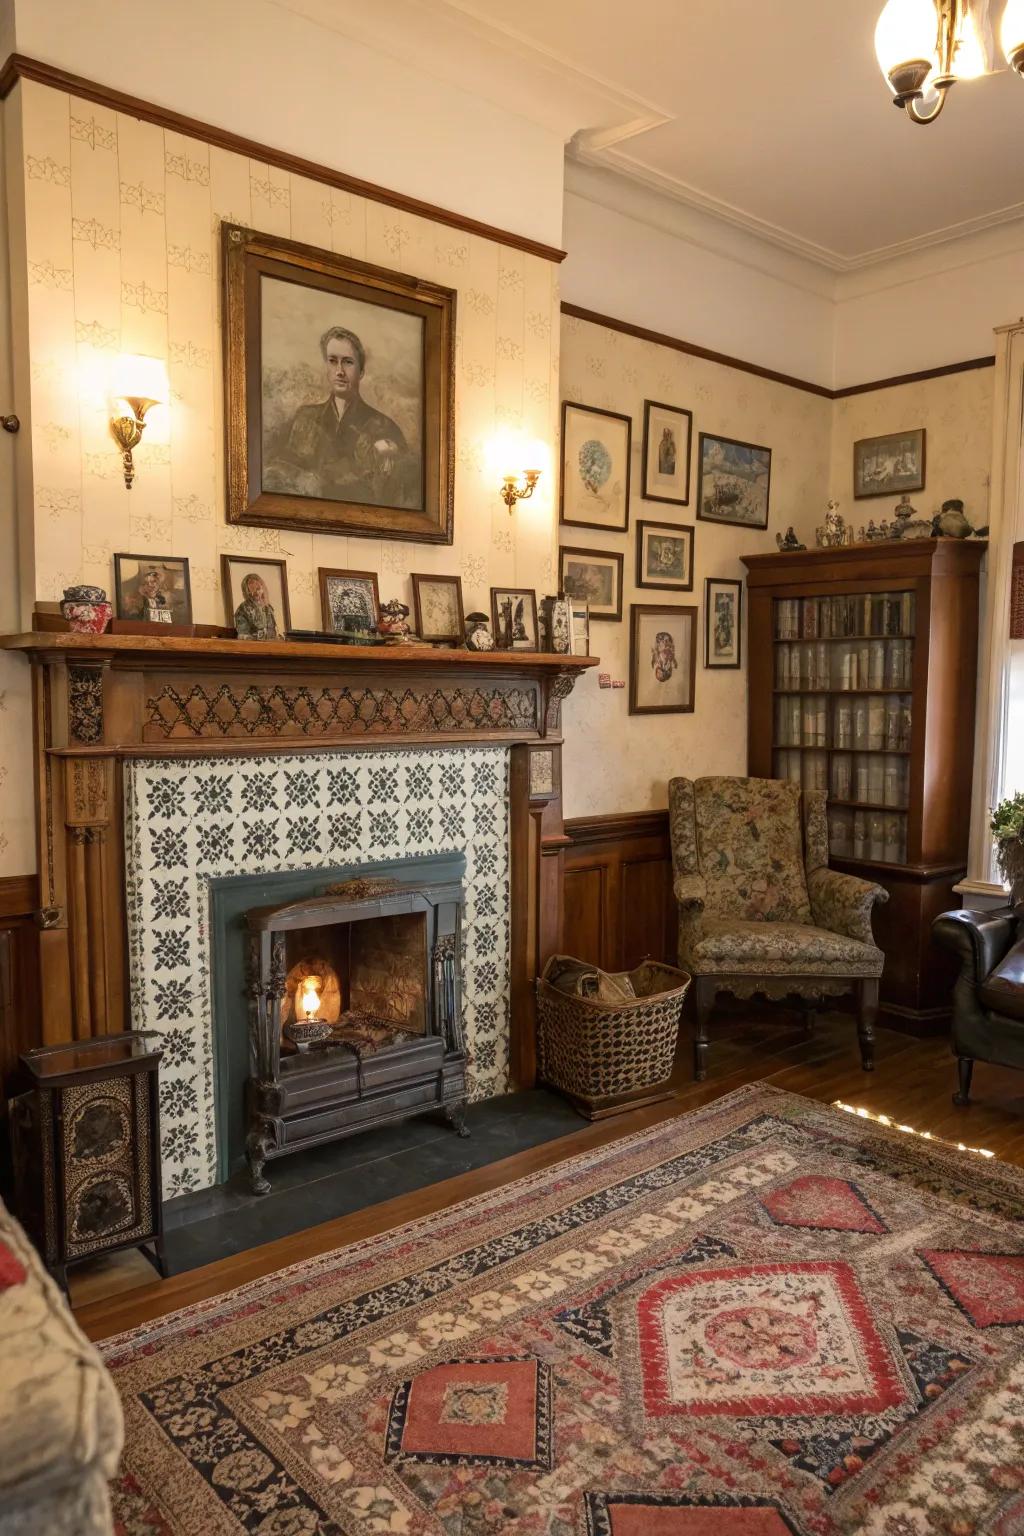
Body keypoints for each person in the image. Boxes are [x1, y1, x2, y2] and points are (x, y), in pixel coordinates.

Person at [266, 326, 418, 508]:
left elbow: (400, 497)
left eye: (347, 362)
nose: (339, 371)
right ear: (326, 367)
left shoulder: (385, 427)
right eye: (332, 361)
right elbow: (276, 472)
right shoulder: (304, 419)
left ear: (361, 371)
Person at [234, 572, 279, 640]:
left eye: (259, 584)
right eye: (252, 583)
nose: (257, 585)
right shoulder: (243, 609)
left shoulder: (268, 608)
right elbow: (242, 635)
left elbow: (272, 631)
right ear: (247, 590)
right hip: (252, 647)